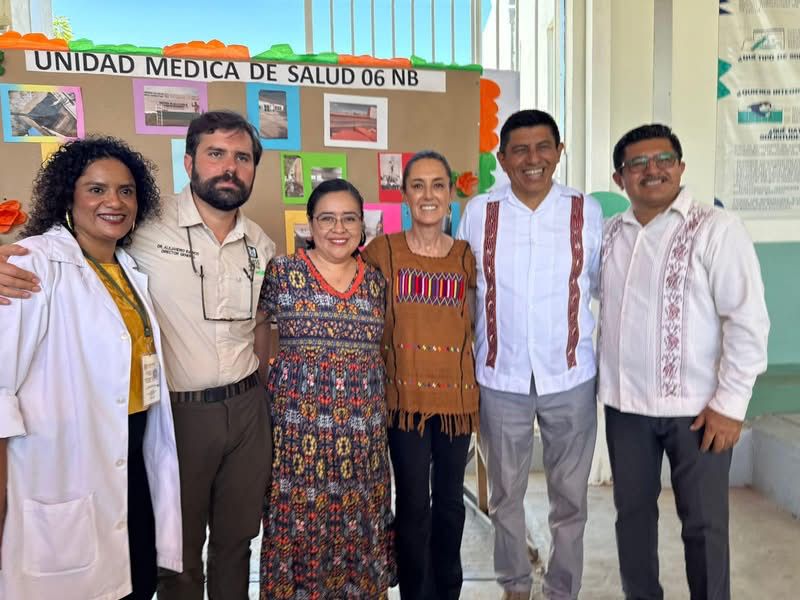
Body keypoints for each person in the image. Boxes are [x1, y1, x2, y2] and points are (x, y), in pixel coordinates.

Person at [0, 110, 276, 600]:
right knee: (177, 552)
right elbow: (56, 254)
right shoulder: (143, 225)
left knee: (237, 541)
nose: (229, 167)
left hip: (246, 407)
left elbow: (262, 324)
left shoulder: (261, 244)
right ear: (190, 161)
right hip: (180, 411)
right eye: (215, 154)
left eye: (242, 157)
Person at [0, 137, 182, 599]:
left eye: (125, 191)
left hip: (134, 447)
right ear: (69, 196)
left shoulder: (129, 268)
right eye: (96, 189)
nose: (114, 202)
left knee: (137, 578)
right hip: (65, 461)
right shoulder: (35, 262)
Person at [599, 123, 770, 600]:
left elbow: (748, 321)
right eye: (637, 163)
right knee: (631, 519)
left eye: (663, 159)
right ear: (620, 179)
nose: (652, 170)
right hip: (625, 407)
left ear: (680, 167)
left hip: (699, 412)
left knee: (704, 526)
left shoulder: (716, 229)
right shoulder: (611, 234)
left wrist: (731, 405)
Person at [456, 109, 603, 600]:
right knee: (504, 496)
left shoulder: (586, 210)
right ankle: (515, 584)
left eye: (544, 147)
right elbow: (467, 292)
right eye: (520, 149)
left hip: (570, 377)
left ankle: (563, 589)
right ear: (502, 158)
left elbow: (601, 287)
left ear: (560, 152)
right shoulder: (480, 212)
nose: (532, 159)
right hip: (502, 378)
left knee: (570, 499)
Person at [257, 178, 396, 599]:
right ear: (310, 225)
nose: (339, 228)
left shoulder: (376, 282)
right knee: (298, 523)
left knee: (360, 522)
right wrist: (273, 389)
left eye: (349, 218)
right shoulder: (283, 272)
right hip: (299, 436)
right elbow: (259, 330)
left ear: (362, 225)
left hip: (363, 438)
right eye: (327, 218)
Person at [361, 150, 479, 600]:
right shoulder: (382, 251)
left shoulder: (466, 256)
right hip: (403, 401)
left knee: (450, 504)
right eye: (418, 185)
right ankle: (414, 591)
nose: (428, 195)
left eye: (437, 185)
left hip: (457, 403)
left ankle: (448, 589)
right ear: (404, 194)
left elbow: (472, 322)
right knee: (412, 505)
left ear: (450, 194)